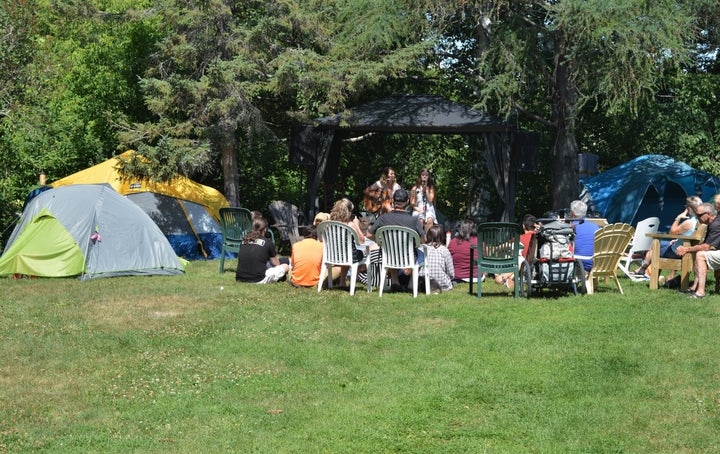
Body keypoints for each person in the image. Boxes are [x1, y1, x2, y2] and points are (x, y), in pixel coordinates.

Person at [634, 196, 702, 282]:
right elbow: (689, 235)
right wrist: (677, 240)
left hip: (678, 252)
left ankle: (645, 269)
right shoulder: (701, 221)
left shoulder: (689, 223)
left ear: (688, 208)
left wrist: (678, 218)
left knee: (654, 245)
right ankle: (646, 270)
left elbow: (672, 232)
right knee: (663, 245)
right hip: (689, 250)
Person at [367, 189, 424, 290]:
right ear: (407, 202)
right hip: (409, 257)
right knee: (422, 253)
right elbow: (423, 240)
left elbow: (368, 234)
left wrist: (380, 242)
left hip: (389, 256)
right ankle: (411, 283)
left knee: (390, 251)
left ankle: (395, 281)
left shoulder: (383, 218)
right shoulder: (414, 220)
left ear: (393, 201)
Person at [676, 203, 720, 298]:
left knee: (700, 255)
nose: (697, 217)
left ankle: (700, 292)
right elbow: (710, 246)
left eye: (699, 215)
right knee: (700, 253)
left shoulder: (716, 225)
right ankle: (694, 287)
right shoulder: (713, 223)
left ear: (708, 214)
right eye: (696, 215)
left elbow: (707, 246)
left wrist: (686, 249)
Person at [235, 215, 290, 283]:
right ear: (265, 229)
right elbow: (276, 264)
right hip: (258, 279)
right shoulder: (268, 242)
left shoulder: (244, 240)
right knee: (285, 266)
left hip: (239, 278)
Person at [329, 198, 367, 288]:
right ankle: (351, 282)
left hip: (332, 255)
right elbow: (361, 241)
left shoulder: (329, 223)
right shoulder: (350, 224)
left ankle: (342, 282)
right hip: (348, 256)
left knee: (347, 253)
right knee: (361, 254)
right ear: (348, 211)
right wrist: (357, 225)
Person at [419, 225, 455, 293]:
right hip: (442, 284)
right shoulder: (444, 250)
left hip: (421, 283)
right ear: (442, 237)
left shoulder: (421, 248)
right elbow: (451, 273)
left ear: (428, 236)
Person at [569, 200, 600, 271]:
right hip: (596, 263)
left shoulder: (571, 227)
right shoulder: (595, 226)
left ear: (572, 213)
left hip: (579, 263)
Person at [409, 168, 437, 234]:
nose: (424, 176)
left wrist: (426, 190)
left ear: (428, 177)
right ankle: (420, 240)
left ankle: (427, 239)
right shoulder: (415, 188)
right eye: (423, 175)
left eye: (426, 175)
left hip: (429, 208)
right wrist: (419, 210)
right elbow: (412, 203)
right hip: (418, 208)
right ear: (420, 176)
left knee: (429, 220)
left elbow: (430, 200)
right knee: (420, 220)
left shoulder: (431, 188)